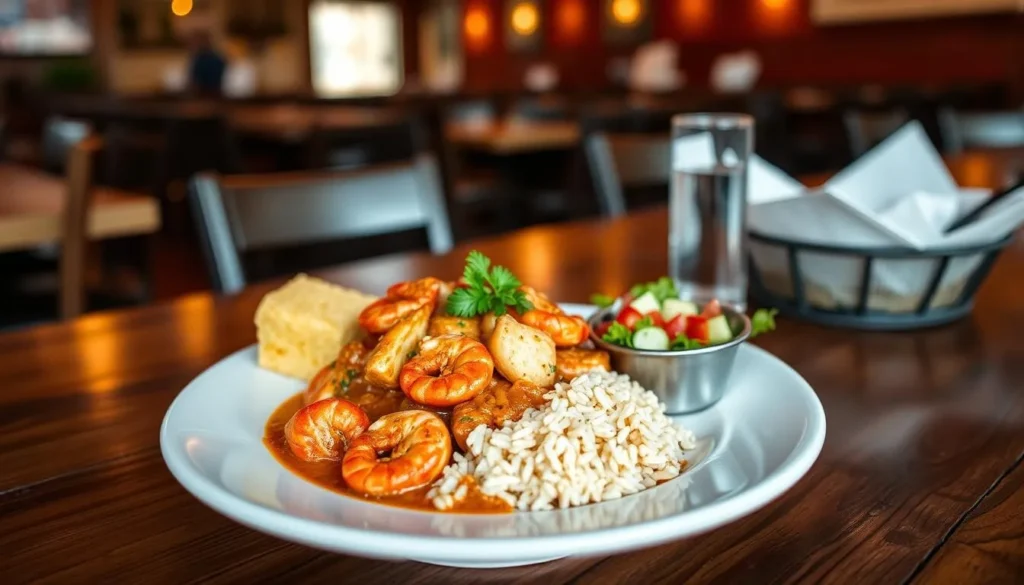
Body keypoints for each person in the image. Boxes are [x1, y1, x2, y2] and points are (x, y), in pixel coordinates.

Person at [186, 31, 227, 96]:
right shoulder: (218, 58)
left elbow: (196, 82)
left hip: (206, 94)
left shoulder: (202, 59)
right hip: (215, 94)